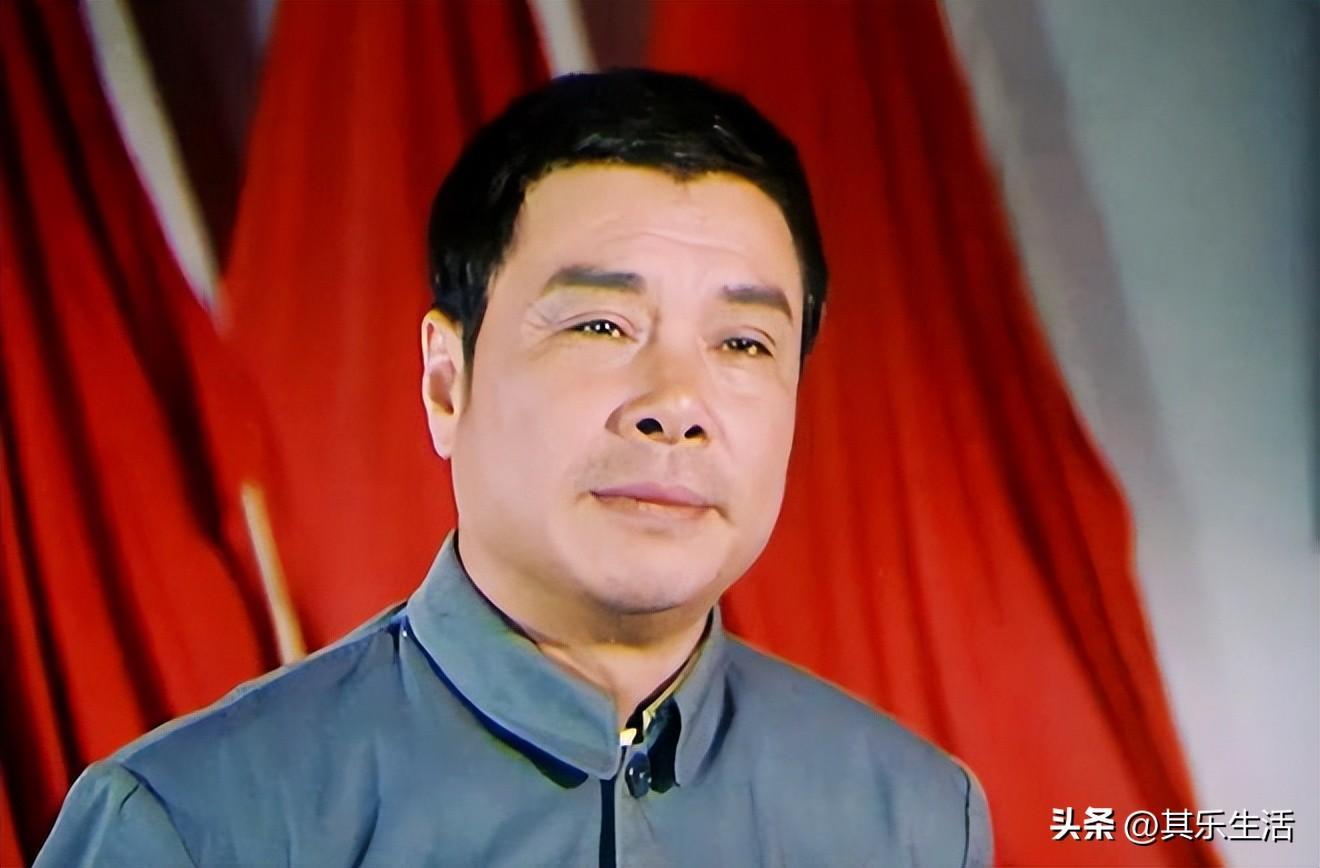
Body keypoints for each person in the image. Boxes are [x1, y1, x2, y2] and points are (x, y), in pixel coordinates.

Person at [38, 69, 991, 867]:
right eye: (601, 326)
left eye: (742, 343)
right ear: (446, 383)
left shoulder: (912, 821)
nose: (675, 404)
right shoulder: (195, 826)